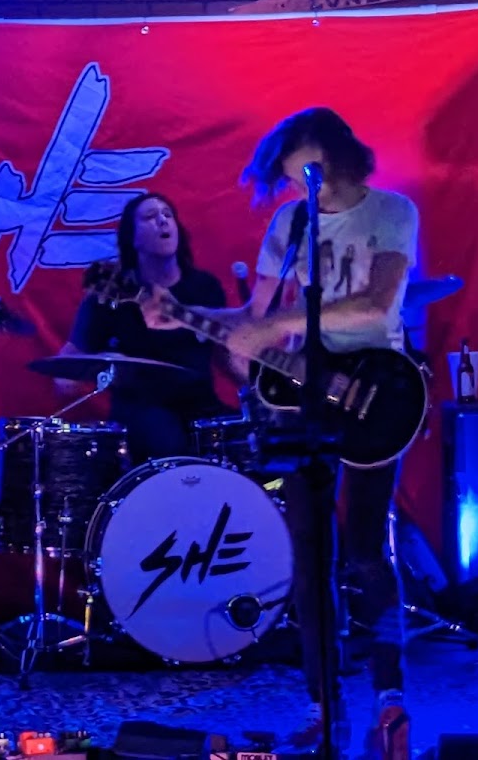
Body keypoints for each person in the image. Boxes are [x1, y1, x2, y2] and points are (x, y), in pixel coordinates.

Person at [142, 108, 417, 756]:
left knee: (365, 552)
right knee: (308, 555)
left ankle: (390, 698)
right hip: (302, 398)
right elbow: (254, 317)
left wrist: (274, 326)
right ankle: (325, 704)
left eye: (307, 176)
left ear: (339, 159)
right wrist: (183, 314)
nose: (300, 190)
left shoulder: (391, 212)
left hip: (376, 387)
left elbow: (377, 303)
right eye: (294, 180)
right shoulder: (289, 224)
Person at [56, 192, 232, 465]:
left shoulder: (205, 287)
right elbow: (66, 372)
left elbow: (223, 356)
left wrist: (259, 392)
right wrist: (99, 369)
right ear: (132, 238)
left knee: (253, 441)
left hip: (201, 405)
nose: (162, 220)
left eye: (167, 214)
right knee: (166, 438)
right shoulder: (110, 292)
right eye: (150, 217)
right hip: (141, 409)